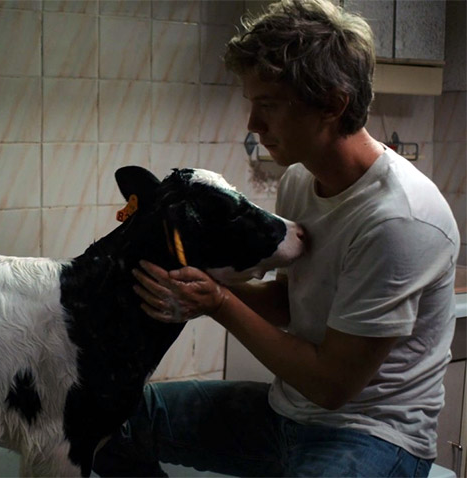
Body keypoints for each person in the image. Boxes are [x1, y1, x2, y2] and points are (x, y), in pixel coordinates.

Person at [92, 0, 460, 476]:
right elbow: (288, 302)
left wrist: (219, 303)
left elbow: (331, 386)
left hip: (373, 436)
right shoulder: (301, 180)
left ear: (333, 104)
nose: (253, 124)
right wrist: (195, 285)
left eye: (268, 105)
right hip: (283, 415)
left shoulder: (398, 220)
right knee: (104, 420)